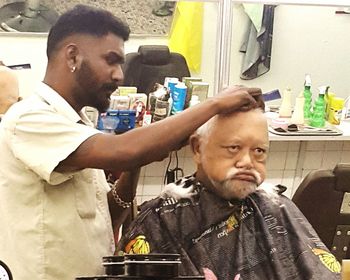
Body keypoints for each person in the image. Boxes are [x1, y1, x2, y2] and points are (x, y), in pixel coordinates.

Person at [0, 4, 262, 280]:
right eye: (111, 60)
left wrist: (137, 162)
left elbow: (107, 221)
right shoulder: (29, 119)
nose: (119, 75)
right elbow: (123, 151)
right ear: (73, 56)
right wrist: (214, 104)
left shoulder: (77, 127)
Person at [117, 107, 341, 280]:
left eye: (259, 151)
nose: (247, 162)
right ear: (197, 148)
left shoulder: (276, 207)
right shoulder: (161, 221)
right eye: (234, 148)